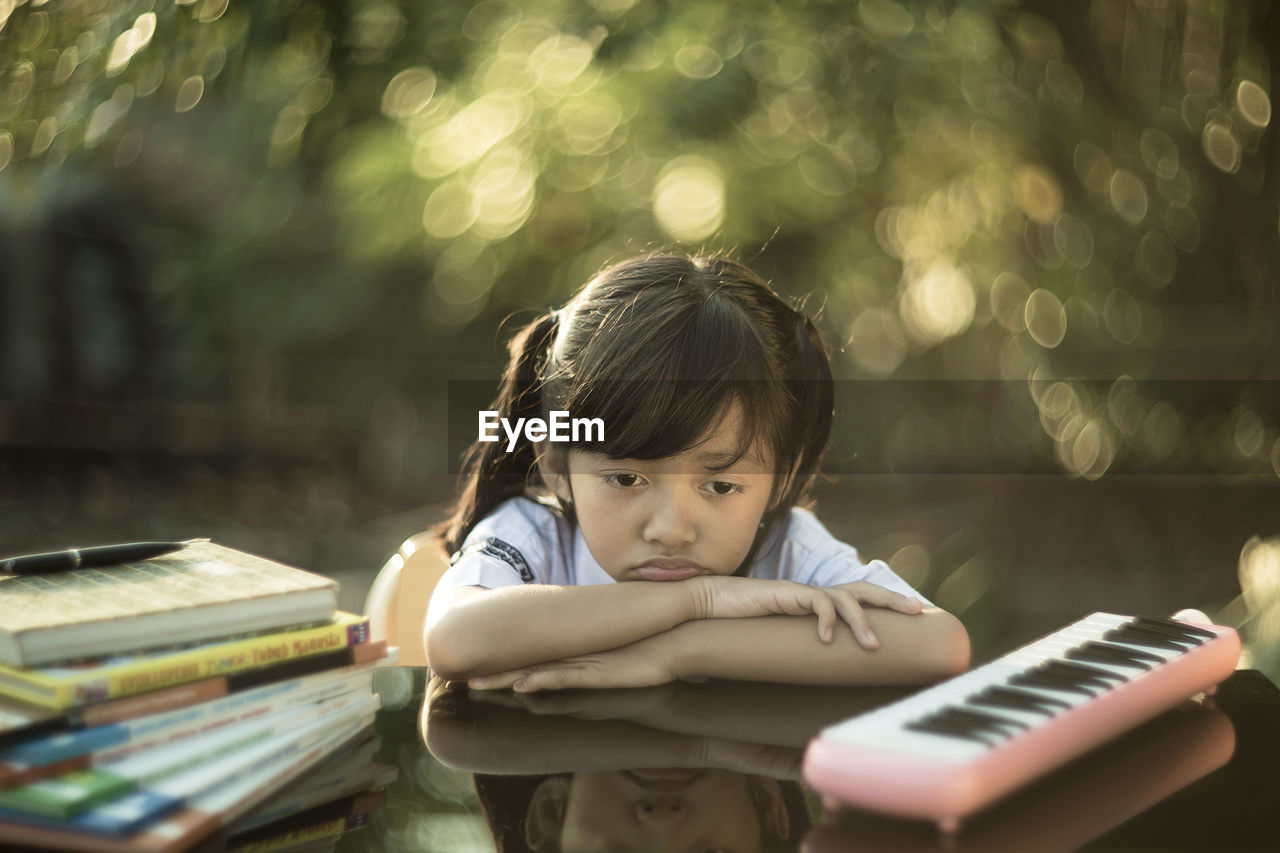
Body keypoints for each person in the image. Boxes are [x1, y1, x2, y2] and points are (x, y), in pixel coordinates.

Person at [425, 254, 969, 691]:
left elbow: (938, 645)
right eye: (625, 478)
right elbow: (455, 638)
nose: (672, 528)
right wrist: (698, 600)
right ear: (558, 464)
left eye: (721, 485)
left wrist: (675, 651)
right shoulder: (534, 536)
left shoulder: (787, 549)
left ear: (780, 481)